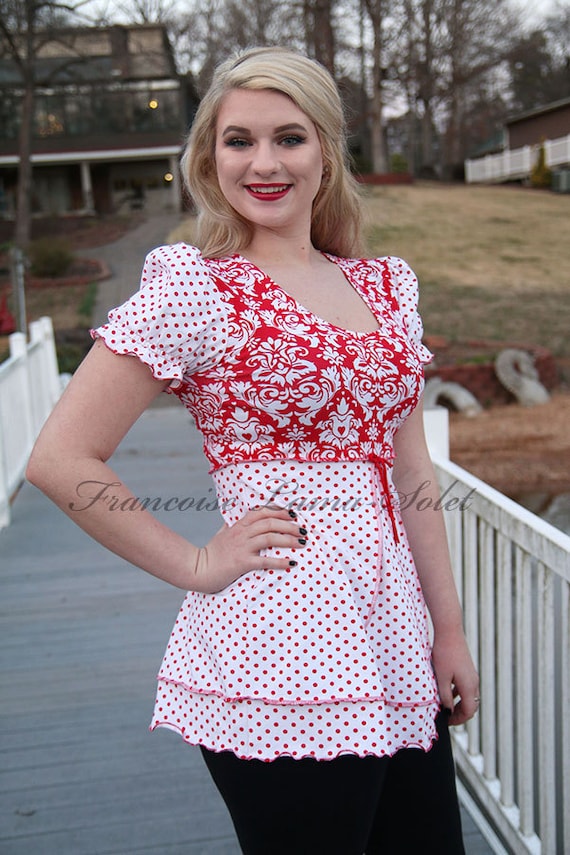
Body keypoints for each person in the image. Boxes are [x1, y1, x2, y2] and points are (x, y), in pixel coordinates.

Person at [27, 46, 479, 854]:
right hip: (279, 647)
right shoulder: (195, 288)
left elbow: (412, 474)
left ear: (327, 152)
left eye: (289, 138)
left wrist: (448, 630)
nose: (263, 162)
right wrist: (196, 564)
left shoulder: (384, 287)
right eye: (238, 140)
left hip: (395, 643)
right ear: (209, 156)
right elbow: (62, 459)